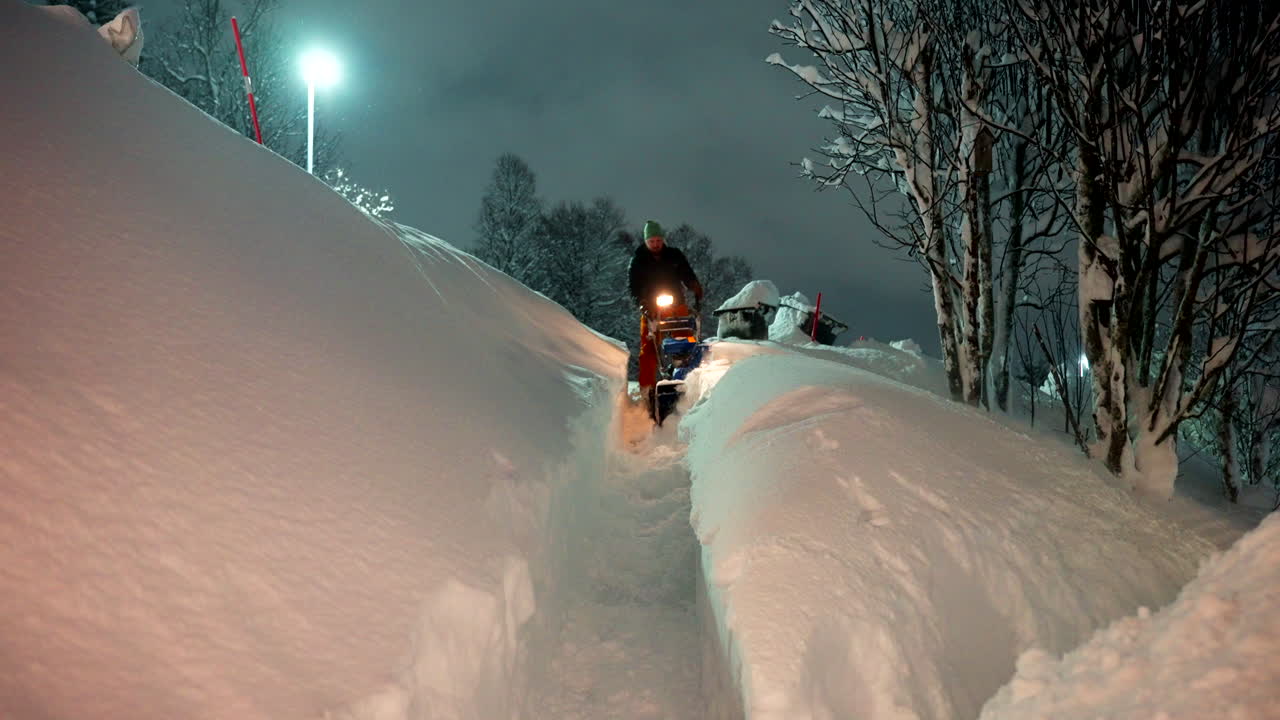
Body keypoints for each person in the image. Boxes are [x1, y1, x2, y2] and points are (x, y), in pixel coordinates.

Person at [627, 220, 703, 406]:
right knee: (649, 347)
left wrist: (694, 285)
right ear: (646, 241)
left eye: (658, 240)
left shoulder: (674, 255)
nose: (655, 244)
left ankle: (687, 377)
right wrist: (642, 303)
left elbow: (686, 273)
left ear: (663, 240)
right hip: (652, 309)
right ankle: (647, 390)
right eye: (652, 241)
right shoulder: (638, 260)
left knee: (686, 341)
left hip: (676, 304)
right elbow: (634, 286)